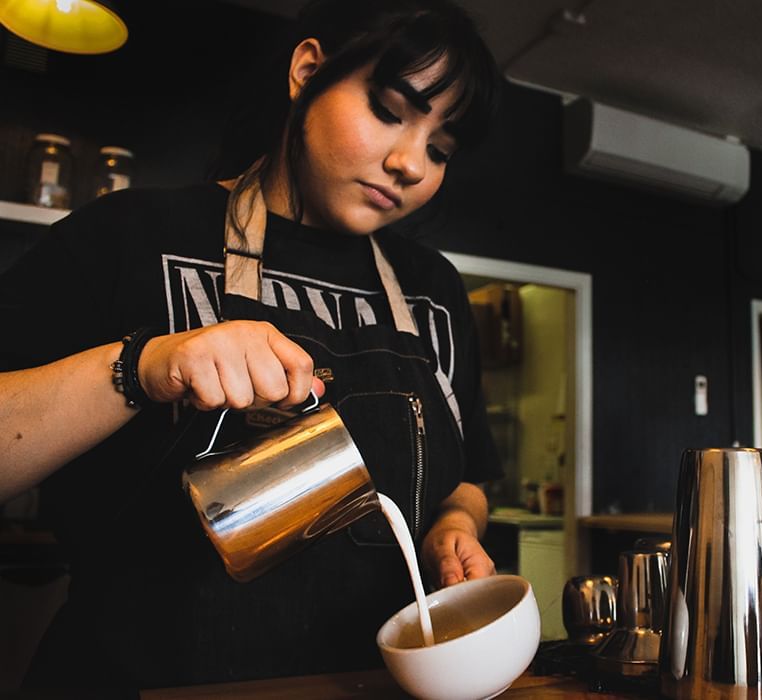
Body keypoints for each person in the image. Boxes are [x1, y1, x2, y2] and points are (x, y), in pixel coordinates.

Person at [0, 0, 503, 690]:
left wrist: (454, 524)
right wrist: (144, 366)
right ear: (307, 71)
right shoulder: (126, 237)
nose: (409, 162)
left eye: (439, 149)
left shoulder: (432, 292)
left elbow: (469, 474)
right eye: (388, 112)